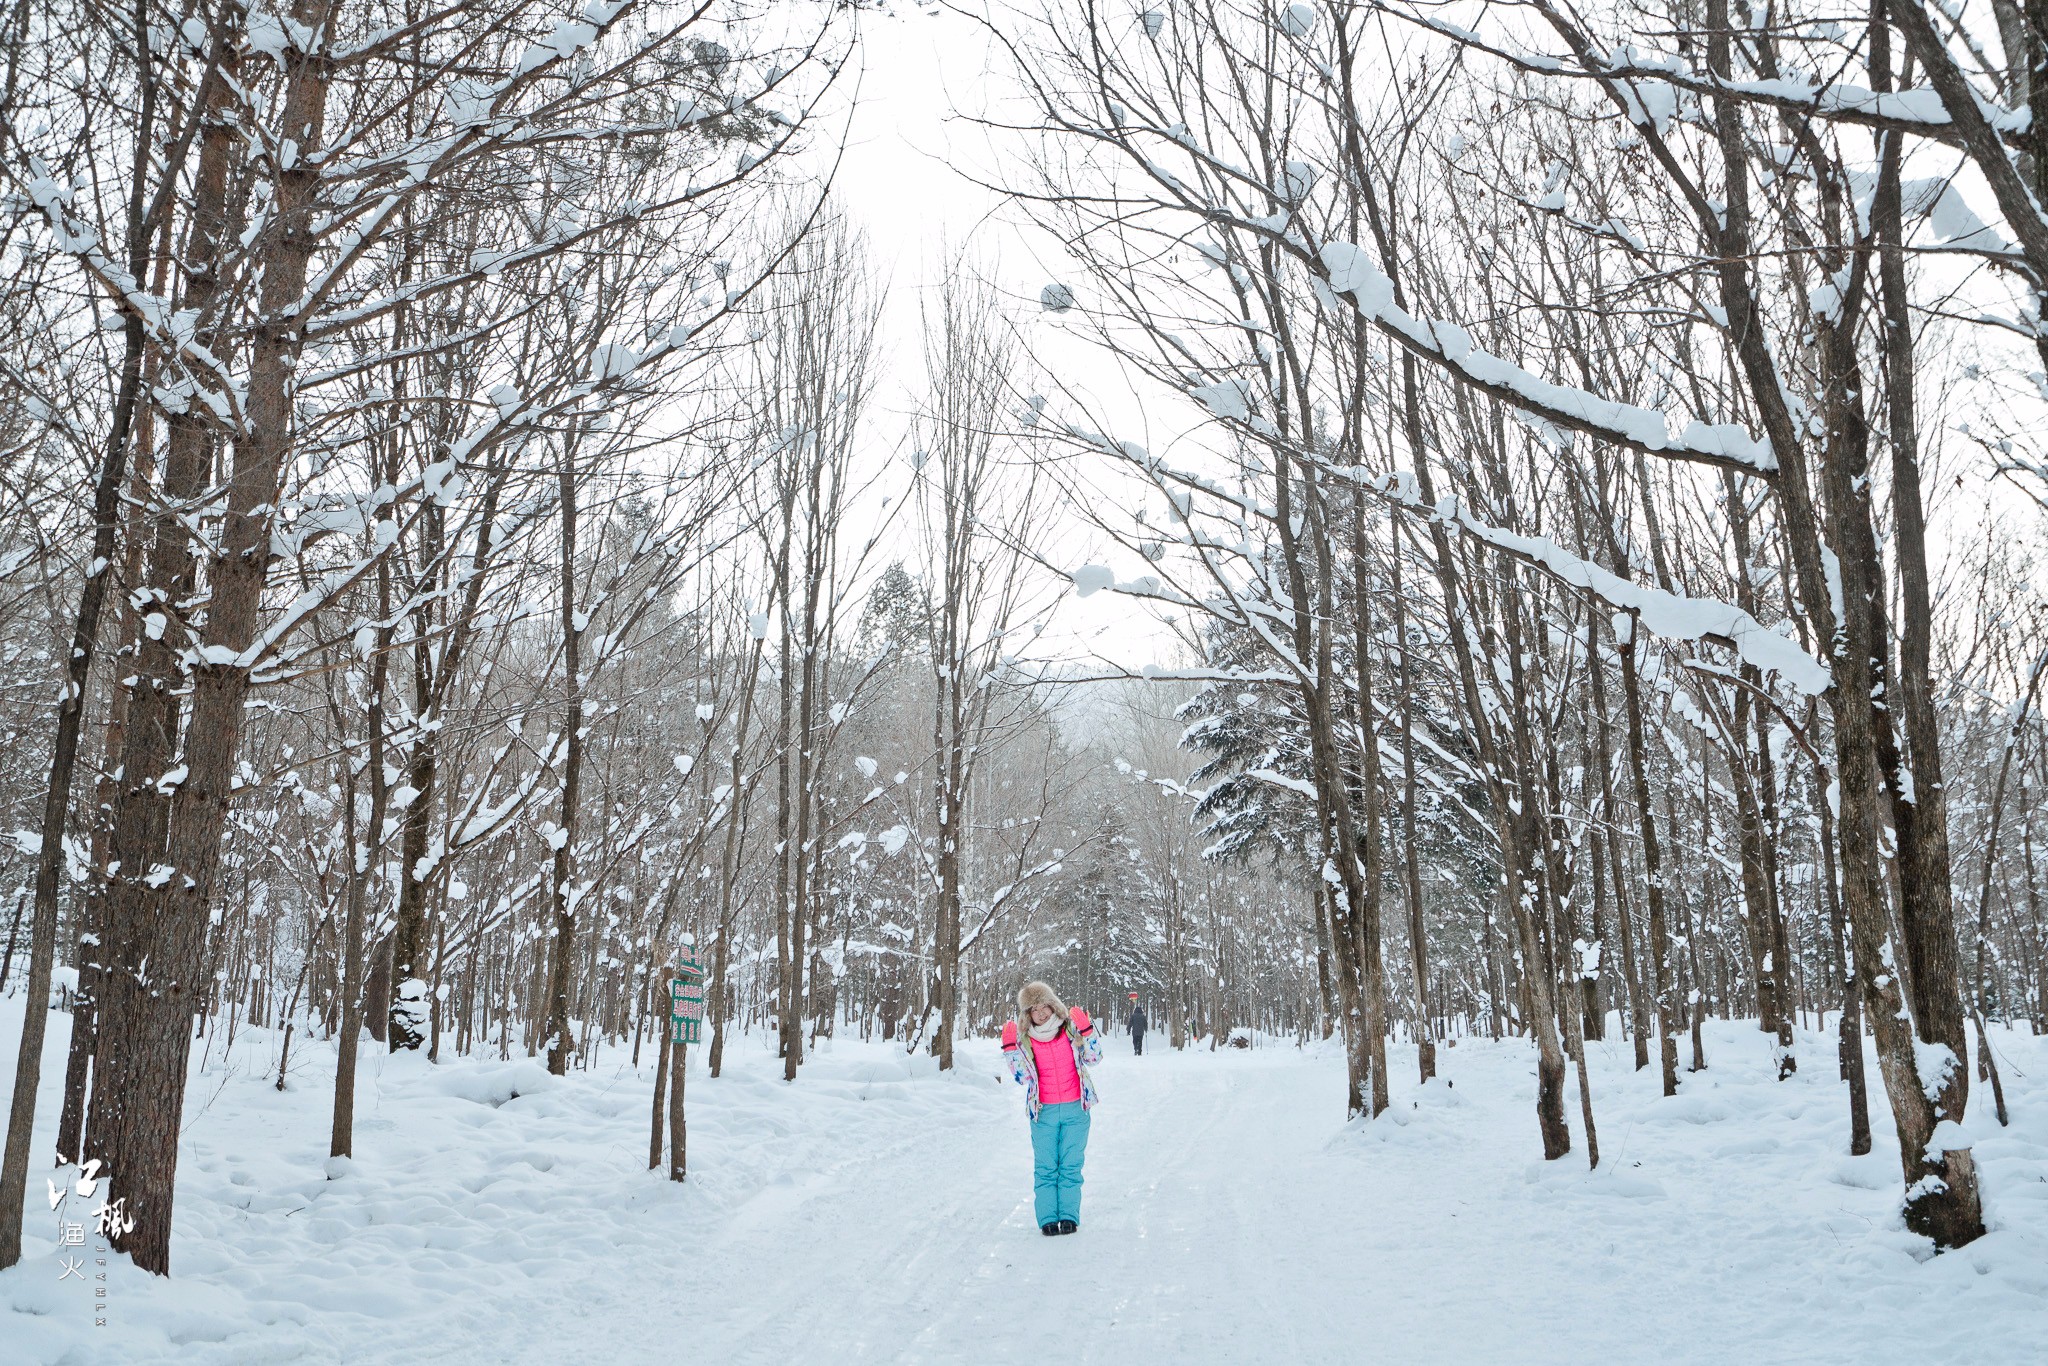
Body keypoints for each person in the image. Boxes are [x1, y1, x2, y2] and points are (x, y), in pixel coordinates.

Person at [1000, 981, 1101, 1235]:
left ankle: (1068, 1216)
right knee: (1046, 1167)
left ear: (1052, 1005)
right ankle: (1047, 1218)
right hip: (1043, 1113)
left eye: (1043, 1006)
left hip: (1075, 1110)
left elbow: (1094, 1058)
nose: (1041, 1013)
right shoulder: (1026, 1040)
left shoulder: (1070, 1030)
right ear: (1028, 1015)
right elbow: (1023, 1077)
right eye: (1034, 1010)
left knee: (1070, 1166)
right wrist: (1011, 1050)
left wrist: (1088, 1033)